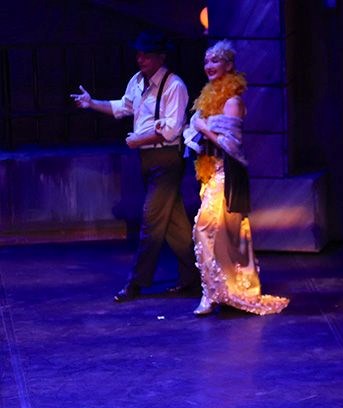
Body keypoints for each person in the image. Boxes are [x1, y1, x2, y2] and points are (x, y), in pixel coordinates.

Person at [70, 30, 200, 302]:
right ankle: (195, 277)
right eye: (139, 55)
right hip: (146, 159)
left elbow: (171, 130)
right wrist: (92, 103)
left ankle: (136, 283)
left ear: (160, 57)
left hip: (167, 159)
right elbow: (123, 107)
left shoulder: (174, 86)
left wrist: (138, 139)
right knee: (174, 224)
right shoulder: (137, 81)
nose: (140, 60)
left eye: (147, 55)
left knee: (151, 221)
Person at [183, 40, 289, 316]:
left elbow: (230, 144)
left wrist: (203, 127)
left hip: (227, 175)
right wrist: (196, 130)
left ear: (228, 65)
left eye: (215, 61)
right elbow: (196, 135)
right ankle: (215, 291)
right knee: (218, 234)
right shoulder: (207, 98)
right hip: (210, 173)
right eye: (206, 61)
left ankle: (222, 291)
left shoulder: (232, 101)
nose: (209, 66)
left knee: (206, 229)